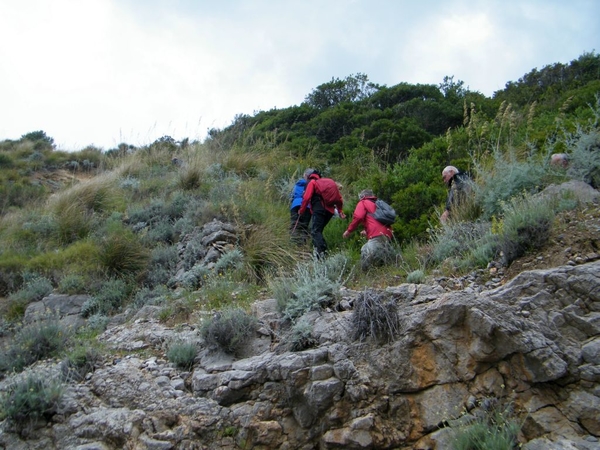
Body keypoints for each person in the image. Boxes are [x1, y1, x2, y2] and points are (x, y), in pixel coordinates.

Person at [342, 189, 394, 270]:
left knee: (369, 254)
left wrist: (349, 230)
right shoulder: (377, 204)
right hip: (387, 233)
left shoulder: (363, 202)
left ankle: (367, 273)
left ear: (362, 196)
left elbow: (358, 217)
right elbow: (375, 220)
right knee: (365, 248)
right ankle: (388, 267)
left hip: (376, 234)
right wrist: (367, 230)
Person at [299, 168, 345, 258]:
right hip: (330, 211)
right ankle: (320, 252)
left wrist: (301, 210)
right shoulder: (328, 182)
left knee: (315, 231)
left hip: (319, 210)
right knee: (318, 231)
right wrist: (340, 211)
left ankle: (321, 254)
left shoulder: (313, 182)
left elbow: (306, 197)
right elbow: (339, 199)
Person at [290, 176, 311, 244]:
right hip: (307, 206)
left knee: (294, 223)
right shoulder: (311, 185)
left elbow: (291, 196)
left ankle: (293, 239)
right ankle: (303, 242)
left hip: (295, 205)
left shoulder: (297, 184)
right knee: (304, 225)